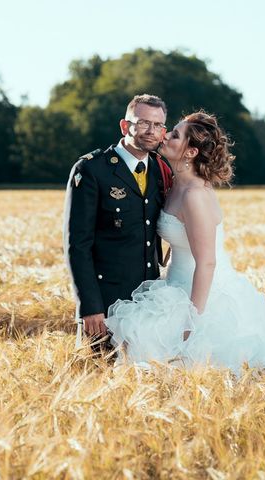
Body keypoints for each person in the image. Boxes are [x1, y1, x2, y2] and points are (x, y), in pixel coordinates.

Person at [105, 111, 265, 374]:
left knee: (192, 364)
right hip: (174, 286)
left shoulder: (195, 194)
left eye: (174, 135)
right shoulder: (174, 186)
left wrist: (192, 320)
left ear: (191, 152)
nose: (165, 135)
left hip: (203, 293)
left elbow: (206, 262)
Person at [63, 94, 173, 348]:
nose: (151, 131)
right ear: (125, 126)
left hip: (149, 300)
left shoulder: (160, 169)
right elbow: (77, 245)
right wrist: (89, 306)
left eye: (158, 125)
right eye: (143, 123)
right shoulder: (92, 169)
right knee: (97, 376)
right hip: (106, 303)